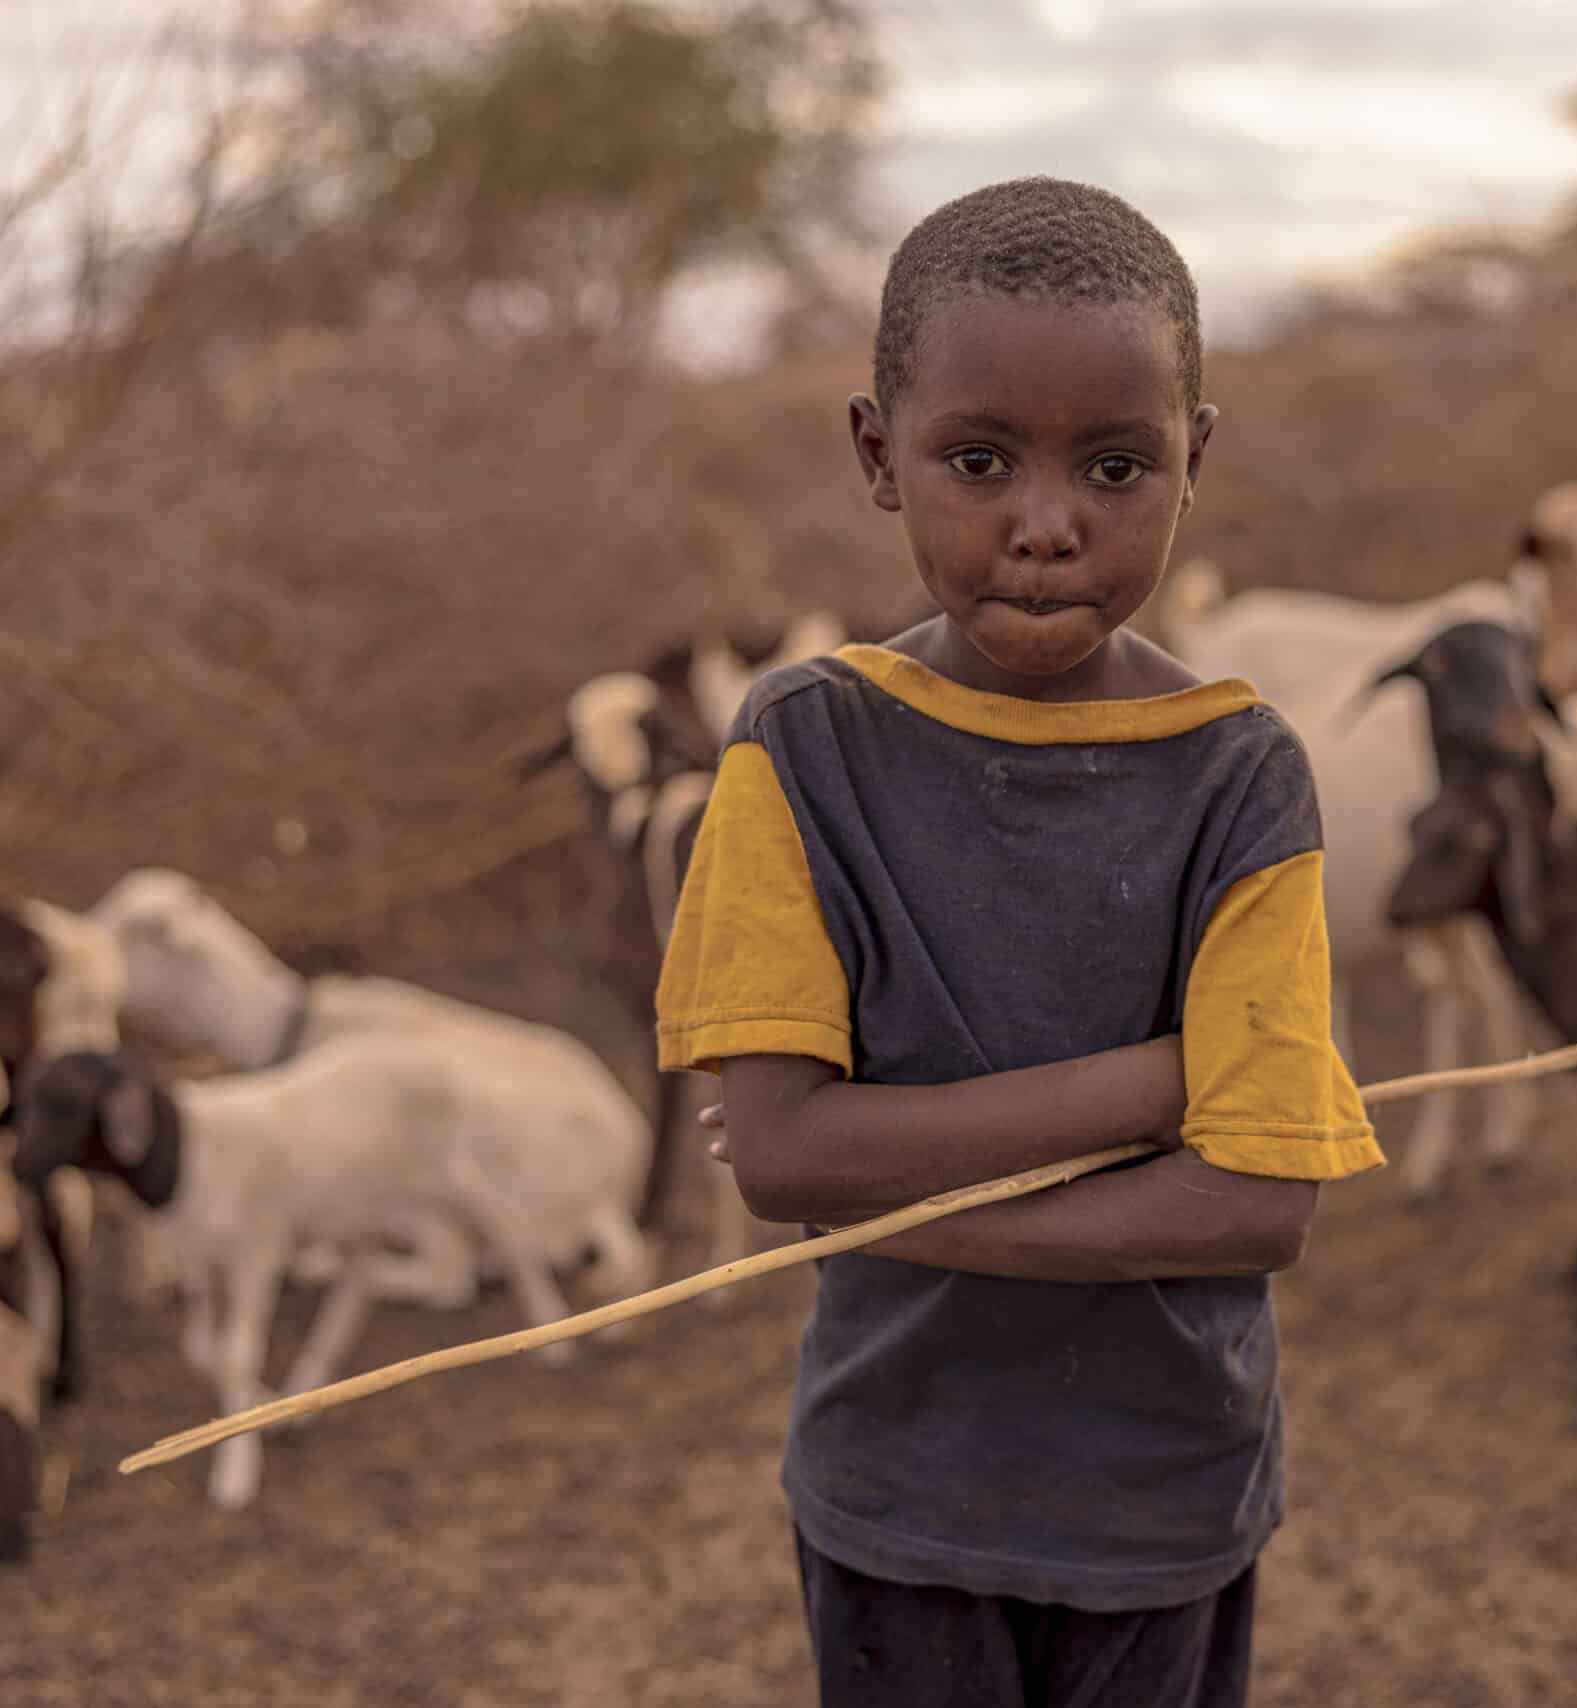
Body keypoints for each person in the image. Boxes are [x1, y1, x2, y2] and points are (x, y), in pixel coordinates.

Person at [655, 174, 1384, 1708]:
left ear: (1195, 457)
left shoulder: (1241, 774)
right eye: (976, 460)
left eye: (1117, 466)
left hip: (1164, 1496)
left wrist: (895, 1207)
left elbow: (1256, 1211)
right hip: (897, 1497)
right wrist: (1159, 1088)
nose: (1046, 528)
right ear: (876, 453)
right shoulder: (801, 748)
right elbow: (785, 1155)